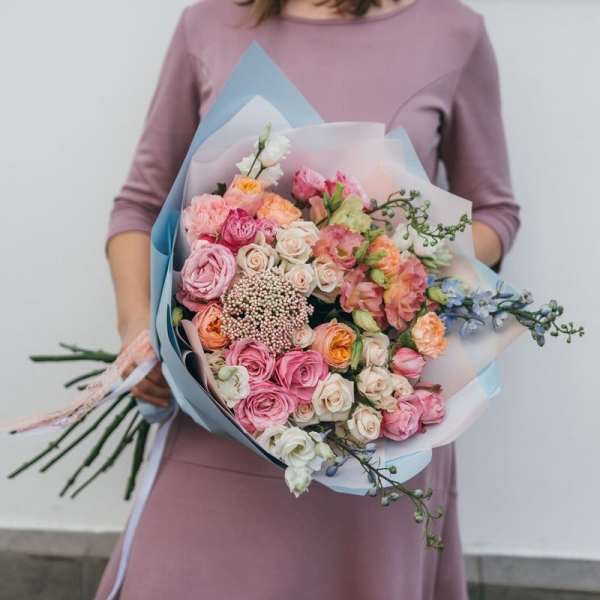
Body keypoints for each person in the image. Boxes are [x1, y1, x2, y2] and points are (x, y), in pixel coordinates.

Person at [96, 0, 520, 598]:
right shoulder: (208, 23)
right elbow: (140, 206)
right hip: (217, 408)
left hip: (374, 423)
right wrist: (139, 330)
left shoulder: (455, 32)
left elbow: (495, 213)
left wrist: (391, 260)